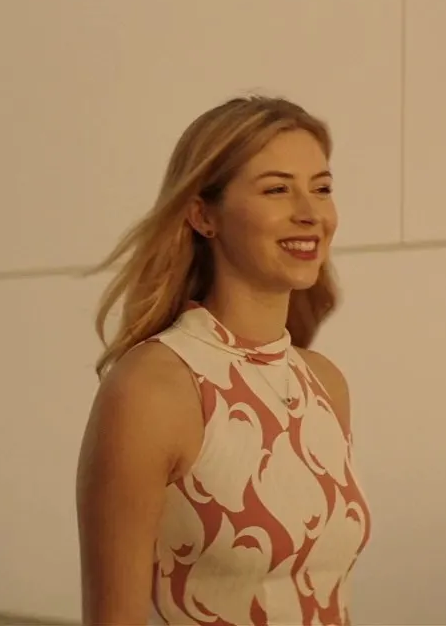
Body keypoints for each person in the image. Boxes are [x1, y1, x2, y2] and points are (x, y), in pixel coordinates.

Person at [75, 95, 371, 625]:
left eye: (322, 188)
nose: (310, 213)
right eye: (277, 189)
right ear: (203, 215)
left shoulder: (326, 384)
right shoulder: (151, 389)